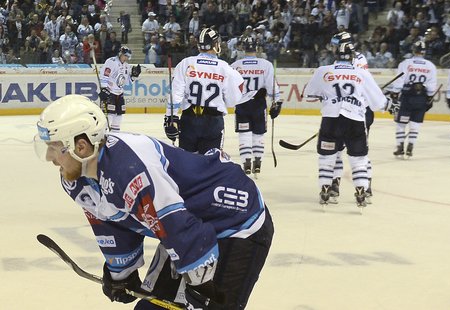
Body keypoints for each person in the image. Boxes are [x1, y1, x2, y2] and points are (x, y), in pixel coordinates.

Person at [34, 94, 273, 309]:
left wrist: (202, 286)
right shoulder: (77, 181)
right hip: (189, 225)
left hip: (237, 220)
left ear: (81, 146)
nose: (48, 157)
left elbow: (176, 224)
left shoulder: (131, 170)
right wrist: (121, 273)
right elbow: (109, 223)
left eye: (54, 148)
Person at [303, 42, 387, 208]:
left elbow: (308, 96)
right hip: (354, 120)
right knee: (359, 158)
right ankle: (362, 189)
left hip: (330, 119)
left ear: (336, 55)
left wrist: (326, 98)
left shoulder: (323, 71)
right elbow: (378, 103)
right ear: (353, 56)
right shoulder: (362, 73)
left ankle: (325, 188)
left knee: (327, 157)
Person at [165, 28, 252, 154]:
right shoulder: (225, 68)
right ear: (216, 45)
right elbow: (232, 100)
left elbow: (176, 93)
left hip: (189, 120)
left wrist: (170, 117)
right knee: (210, 165)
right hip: (213, 122)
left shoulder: (186, 63)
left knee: (187, 164)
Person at [327, 31, 373, 204]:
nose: (332, 47)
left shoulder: (356, 61)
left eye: (334, 44)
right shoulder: (353, 59)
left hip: (357, 112)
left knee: (352, 151)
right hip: (351, 111)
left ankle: (343, 186)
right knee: (353, 150)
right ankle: (359, 187)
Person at [230, 36, 282, 176]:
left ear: (242, 48)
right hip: (259, 104)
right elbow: (272, 86)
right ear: (257, 48)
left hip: (242, 104)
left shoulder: (235, 65)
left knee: (244, 134)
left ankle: (246, 163)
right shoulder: (265, 64)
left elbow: (230, 88)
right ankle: (257, 163)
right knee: (258, 134)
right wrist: (276, 103)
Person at [386, 40, 438, 158]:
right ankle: (410, 146)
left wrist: (394, 94)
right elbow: (432, 85)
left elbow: (399, 81)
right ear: (424, 52)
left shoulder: (405, 63)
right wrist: (430, 97)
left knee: (401, 123)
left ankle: (400, 147)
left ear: (414, 50)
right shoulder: (430, 66)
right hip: (421, 98)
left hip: (407, 97)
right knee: (415, 124)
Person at [99, 46, 141, 132]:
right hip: (110, 92)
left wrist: (134, 76)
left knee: (119, 114)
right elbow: (105, 75)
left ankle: (115, 134)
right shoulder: (111, 62)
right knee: (109, 115)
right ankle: (103, 134)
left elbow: (127, 82)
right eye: (125, 56)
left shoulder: (126, 66)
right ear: (120, 54)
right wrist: (104, 88)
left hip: (120, 93)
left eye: (127, 56)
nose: (126, 58)